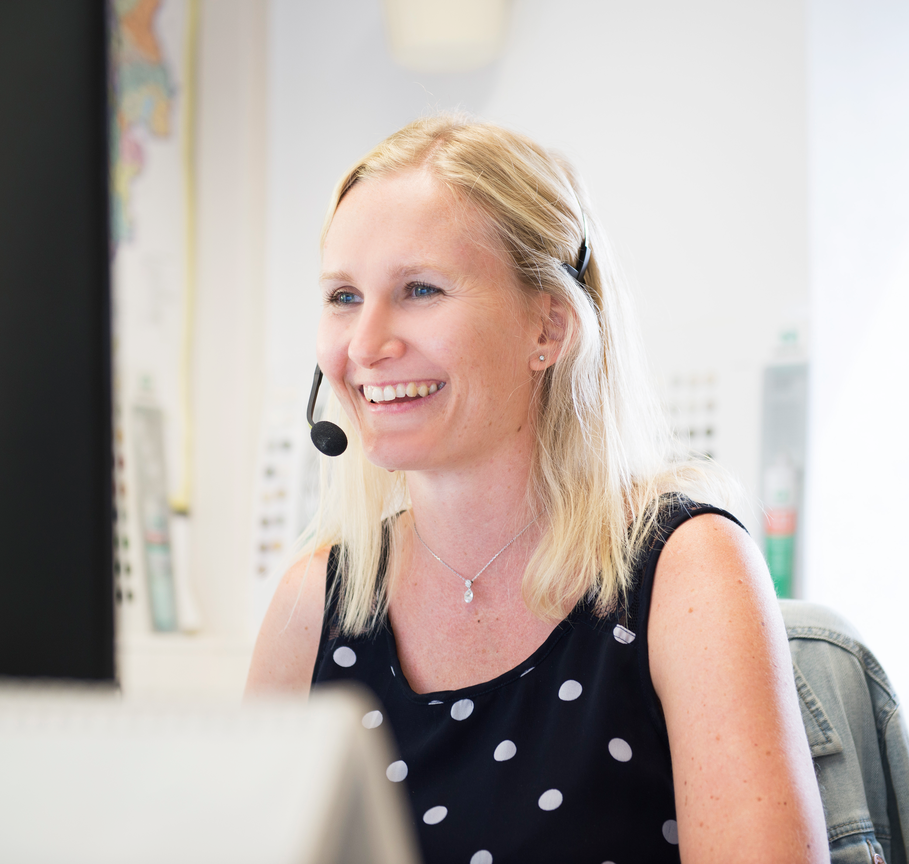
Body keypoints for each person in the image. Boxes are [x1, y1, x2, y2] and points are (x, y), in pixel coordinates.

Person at [246, 114, 830, 864]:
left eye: (420, 289)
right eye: (343, 297)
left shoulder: (685, 572)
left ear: (548, 327)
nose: (364, 346)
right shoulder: (316, 604)